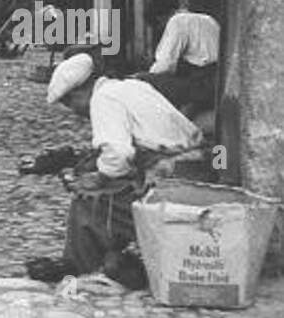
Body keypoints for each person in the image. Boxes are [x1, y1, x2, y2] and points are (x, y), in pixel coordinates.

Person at [39, 48, 204, 281]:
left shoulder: (103, 99)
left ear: (79, 93)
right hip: (194, 167)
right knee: (115, 194)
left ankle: (79, 269)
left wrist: (99, 178)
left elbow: (118, 154)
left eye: (72, 105)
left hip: (171, 182)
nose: (78, 113)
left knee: (86, 205)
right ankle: (113, 255)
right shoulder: (131, 86)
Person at [133, 9, 219, 115]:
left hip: (207, 80)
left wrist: (141, 77)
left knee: (144, 81)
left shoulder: (177, 21)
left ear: (160, 19)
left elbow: (165, 65)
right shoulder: (207, 19)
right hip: (217, 77)